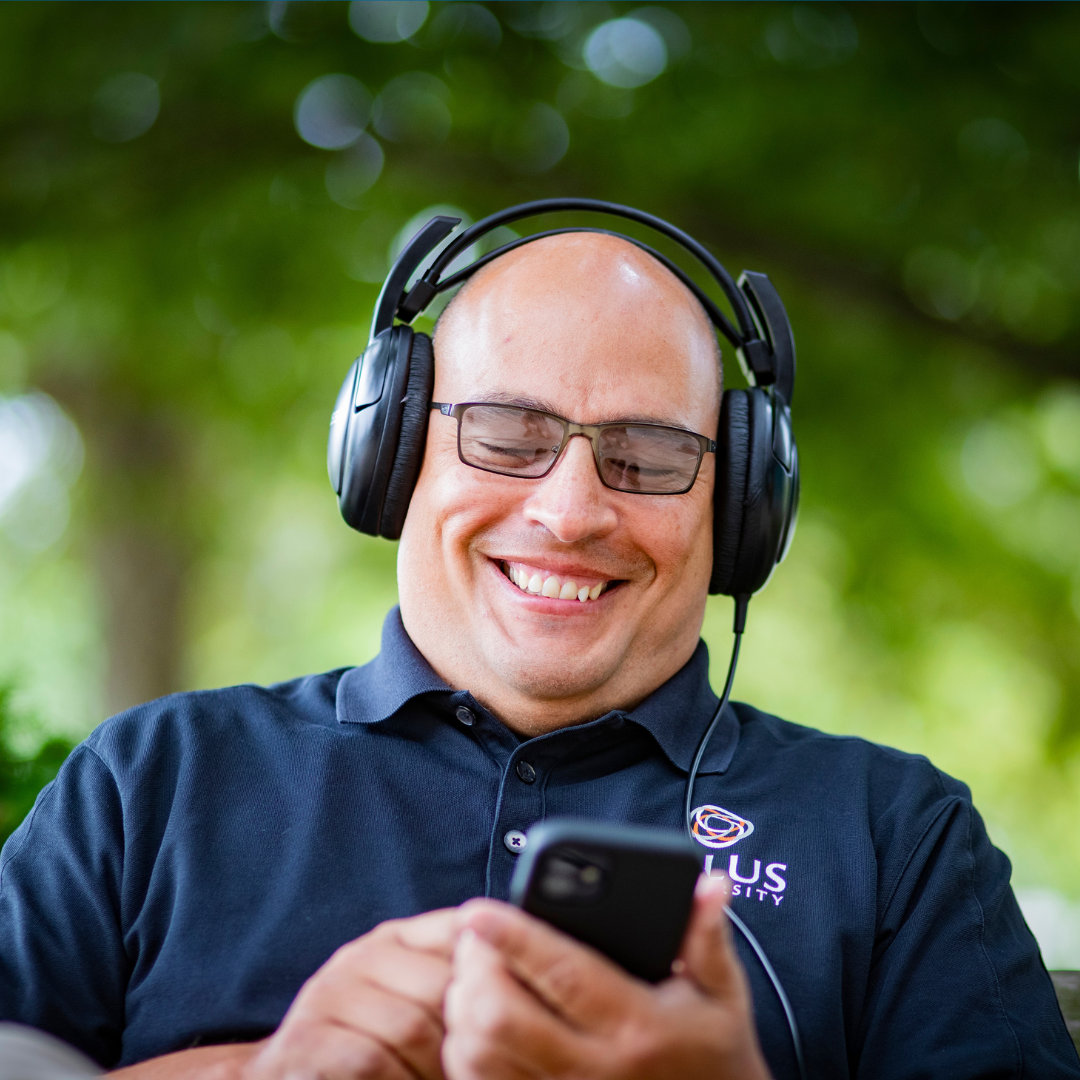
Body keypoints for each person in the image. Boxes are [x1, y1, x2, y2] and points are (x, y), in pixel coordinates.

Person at [0, 209, 1076, 1080]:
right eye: (506, 434)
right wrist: (263, 1074)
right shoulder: (153, 781)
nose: (570, 513)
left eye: (649, 455)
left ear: (744, 505)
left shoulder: (899, 838)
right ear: (391, 449)